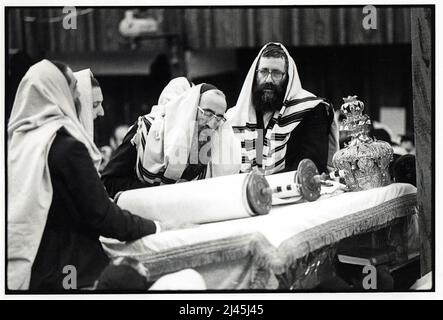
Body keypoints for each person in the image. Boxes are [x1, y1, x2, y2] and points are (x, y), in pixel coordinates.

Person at [7, 60, 183, 291]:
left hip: (30, 272)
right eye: (72, 91)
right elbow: (102, 216)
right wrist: (159, 228)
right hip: (74, 273)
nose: (79, 100)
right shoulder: (67, 148)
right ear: (58, 93)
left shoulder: (17, 143)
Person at [101, 77, 240, 198]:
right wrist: (160, 195)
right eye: (207, 113)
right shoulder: (146, 130)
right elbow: (110, 180)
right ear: (190, 109)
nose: (212, 124)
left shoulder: (213, 146)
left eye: (219, 118)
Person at [226, 42, 338, 175]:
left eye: (276, 73)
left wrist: (264, 183)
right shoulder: (240, 115)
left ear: (288, 77)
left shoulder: (311, 108)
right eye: (263, 71)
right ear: (255, 74)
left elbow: (311, 166)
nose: (268, 79)